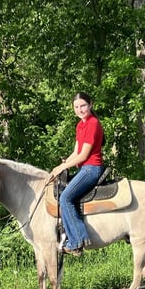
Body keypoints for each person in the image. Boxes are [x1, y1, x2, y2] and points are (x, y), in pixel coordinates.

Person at [49, 92, 105, 256]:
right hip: (84, 167)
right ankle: (69, 237)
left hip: (91, 168)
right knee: (63, 195)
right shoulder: (80, 125)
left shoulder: (93, 123)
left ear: (90, 105)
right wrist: (60, 166)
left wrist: (61, 168)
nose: (80, 109)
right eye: (76, 107)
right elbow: (76, 152)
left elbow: (83, 156)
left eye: (83, 105)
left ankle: (77, 240)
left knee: (66, 197)